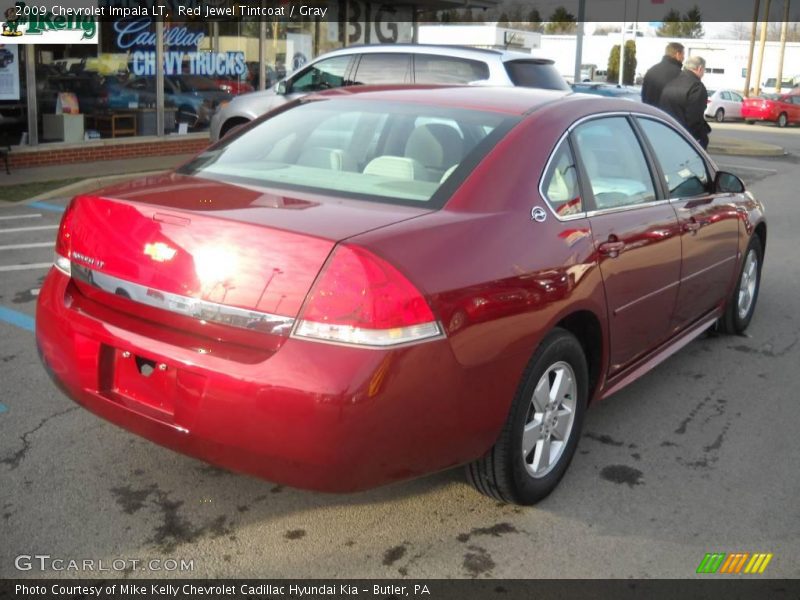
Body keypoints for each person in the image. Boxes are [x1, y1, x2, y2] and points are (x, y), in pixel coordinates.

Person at [659, 55, 712, 149]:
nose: (704, 73)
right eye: (704, 70)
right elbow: (695, 119)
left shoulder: (671, 83)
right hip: (686, 139)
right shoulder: (697, 87)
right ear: (700, 68)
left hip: (667, 134)